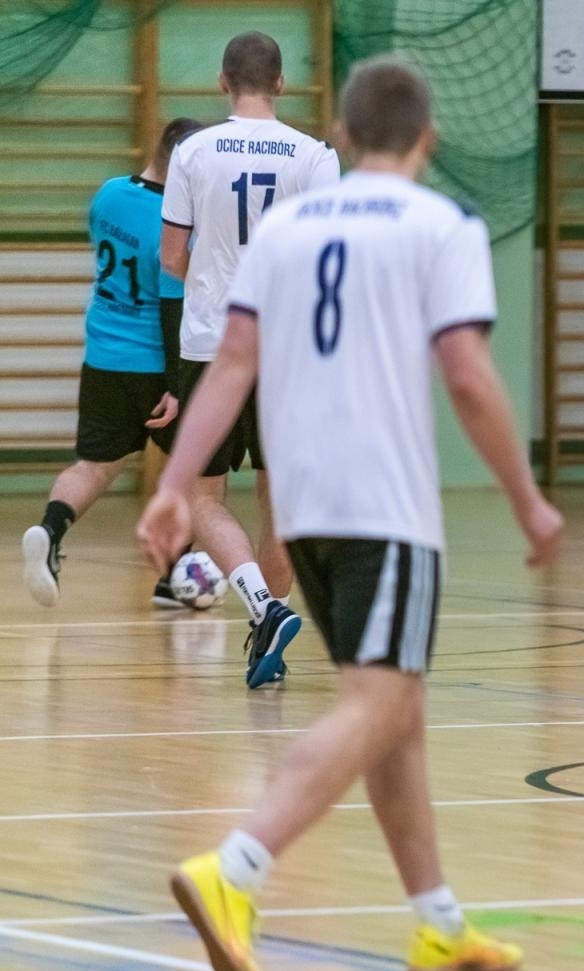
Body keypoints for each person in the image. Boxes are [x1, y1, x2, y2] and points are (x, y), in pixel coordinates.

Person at [137, 56, 565, 971]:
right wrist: (528, 498)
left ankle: (439, 924)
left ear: (341, 130)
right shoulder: (440, 223)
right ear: (429, 139)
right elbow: (467, 375)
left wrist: (173, 482)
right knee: (381, 700)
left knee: (394, 712)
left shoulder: (288, 230)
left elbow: (233, 361)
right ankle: (236, 867)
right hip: (384, 503)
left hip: (307, 502)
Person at [160, 31, 341, 687]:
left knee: (201, 494)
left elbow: (171, 257)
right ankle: (272, 635)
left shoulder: (192, 151)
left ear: (223, 82)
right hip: (288, 350)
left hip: (213, 345)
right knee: (279, 497)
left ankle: (263, 608)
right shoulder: (316, 157)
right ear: (282, 84)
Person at [21, 117, 202, 608]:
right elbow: (172, 307)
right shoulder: (174, 224)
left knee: (94, 467)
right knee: (195, 474)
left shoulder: (108, 195)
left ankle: (50, 529)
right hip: (155, 363)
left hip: (103, 354)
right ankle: (176, 575)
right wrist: (177, 384)